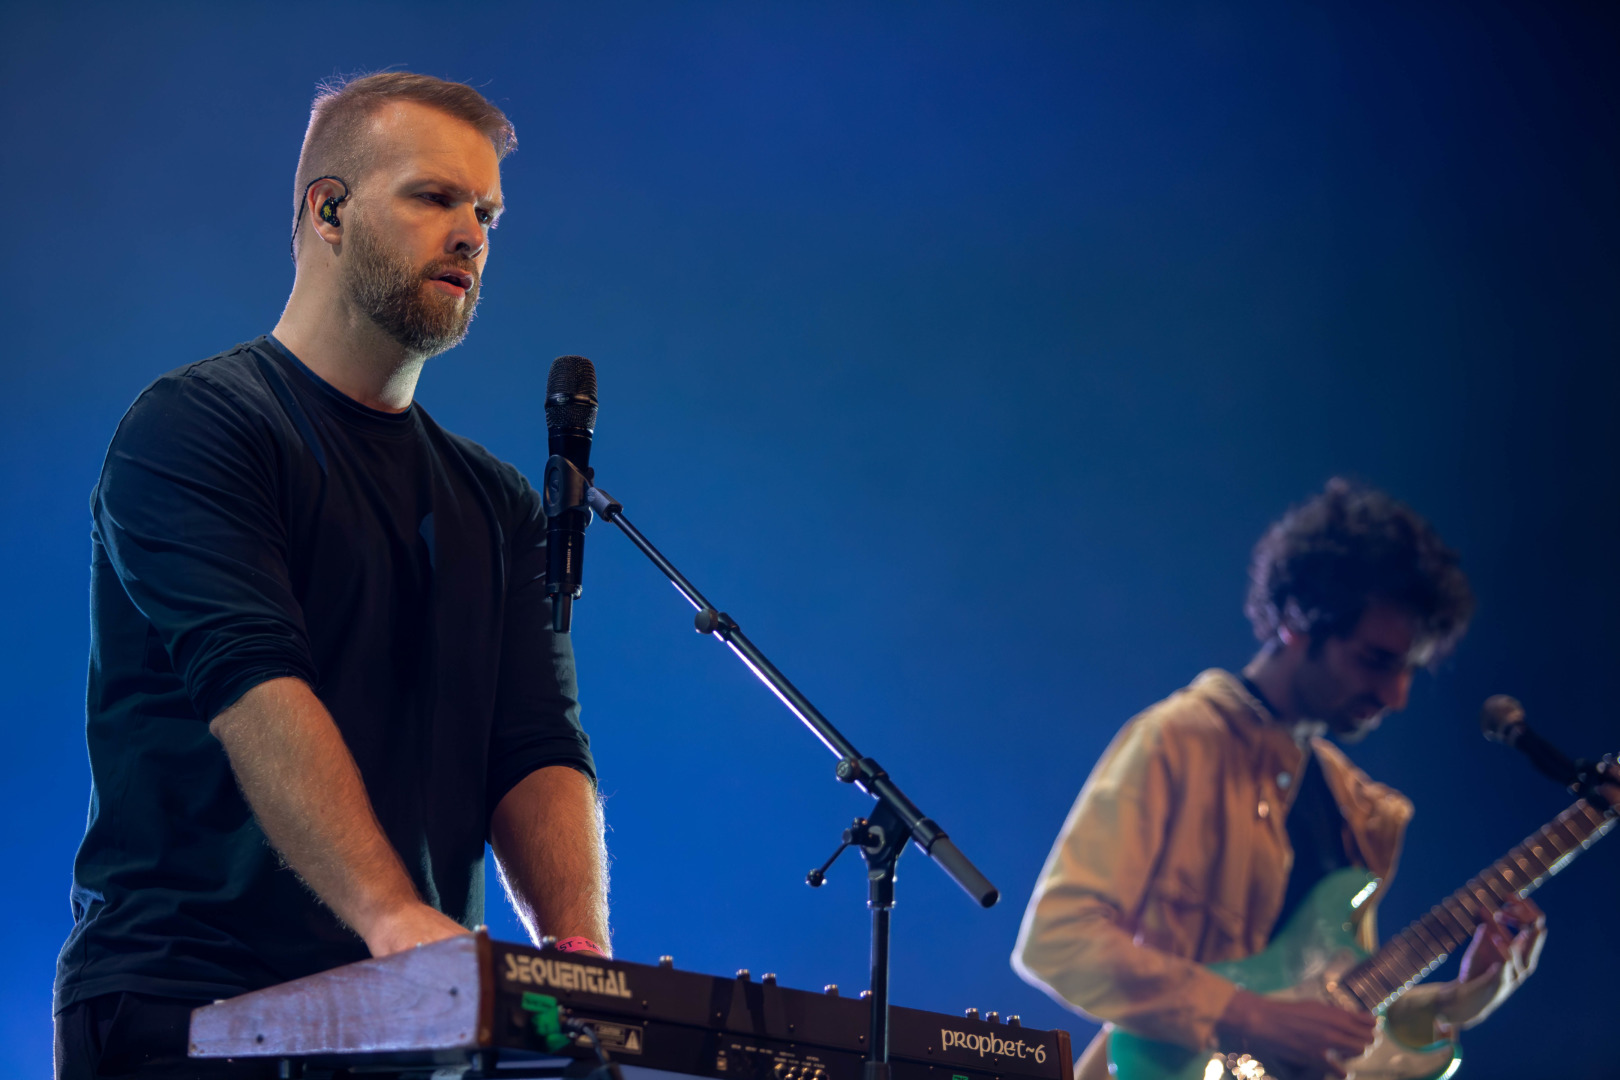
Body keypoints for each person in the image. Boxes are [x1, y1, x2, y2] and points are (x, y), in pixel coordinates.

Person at [54, 73, 609, 1078]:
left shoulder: (497, 502)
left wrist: (580, 964)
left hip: (408, 1031)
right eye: (435, 197)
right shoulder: (198, 429)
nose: (473, 235)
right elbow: (255, 682)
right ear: (329, 210)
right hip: (192, 1008)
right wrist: (391, 916)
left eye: (485, 212)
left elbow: (534, 741)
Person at [1012, 480, 1546, 1080]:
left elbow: (1332, 1001)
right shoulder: (1179, 738)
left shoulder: (1359, 808)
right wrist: (1246, 1015)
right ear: (1298, 620)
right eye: (1376, 660)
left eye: (1410, 670)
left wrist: (1455, 1001)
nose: (1397, 695)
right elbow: (1057, 939)